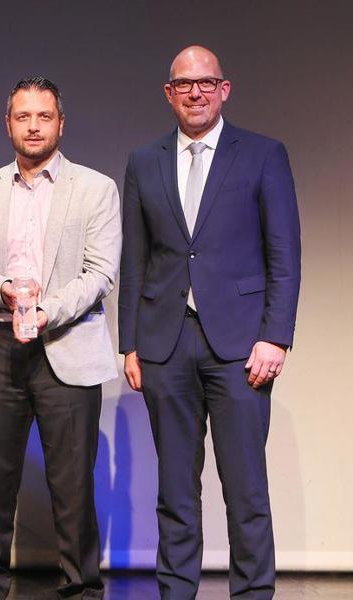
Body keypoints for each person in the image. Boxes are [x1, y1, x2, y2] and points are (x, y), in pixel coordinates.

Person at [119, 45, 301, 599]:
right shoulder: (145, 161)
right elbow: (136, 259)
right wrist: (129, 344)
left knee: (246, 490)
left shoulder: (263, 155)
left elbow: (284, 253)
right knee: (175, 490)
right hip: (165, 345)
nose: (194, 92)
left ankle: (252, 595)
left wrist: (276, 335)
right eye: (183, 84)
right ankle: (177, 593)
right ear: (169, 94)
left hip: (241, 346)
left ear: (224, 89)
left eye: (205, 82)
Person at [0, 76, 120, 600]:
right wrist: (3, 289)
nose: (33, 126)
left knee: (72, 485)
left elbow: (99, 273)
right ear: (8, 124)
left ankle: (81, 589)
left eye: (43, 117)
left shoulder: (95, 188)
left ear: (60, 124)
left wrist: (48, 310)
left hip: (65, 343)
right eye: (23, 117)